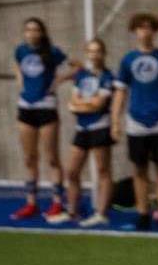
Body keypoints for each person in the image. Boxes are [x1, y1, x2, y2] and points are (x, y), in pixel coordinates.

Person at [113, 12, 158, 231]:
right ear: (134, 31)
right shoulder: (128, 60)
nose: (145, 32)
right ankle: (143, 213)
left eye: (149, 27)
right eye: (140, 27)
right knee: (139, 170)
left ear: (155, 31)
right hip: (136, 122)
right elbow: (120, 92)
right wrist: (115, 121)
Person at [47, 39, 115, 227]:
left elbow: (98, 105)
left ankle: (101, 213)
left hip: (100, 127)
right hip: (81, 129)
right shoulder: (81, 76)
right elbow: (73, 102)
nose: (94, 55)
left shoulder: (107, 76)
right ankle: (72, 211)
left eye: (98, 51)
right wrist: (85, 104)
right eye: (91, 51)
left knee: (103, 171)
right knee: (72, 171)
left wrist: (82, 105)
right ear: (87, 54)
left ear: (104, 54)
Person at [10, 17, 72, 220]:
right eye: (28, 29)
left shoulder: (52, 52)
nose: (32, 33)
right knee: (29, 158)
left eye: (36, 30)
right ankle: (31, 203)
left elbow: (77, 67)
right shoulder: (21, 51)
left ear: (42, 32)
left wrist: (58, 81)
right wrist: (20, 81)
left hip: (46, 107)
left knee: (52, 157)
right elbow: (16, 65)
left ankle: (57, 202)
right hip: (26, 107)